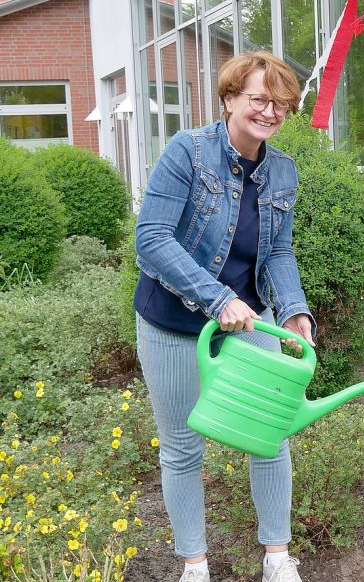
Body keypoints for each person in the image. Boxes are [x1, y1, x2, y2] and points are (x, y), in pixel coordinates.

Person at [134, 51, 315, 582]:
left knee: (271, 434)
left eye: (281, 104)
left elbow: (278, 252)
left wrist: (295, 311)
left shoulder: (282, 169)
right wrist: (216, 298)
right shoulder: (187, 152)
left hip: (247, 323)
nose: (270, 111)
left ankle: (277, 559)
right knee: (183, 447)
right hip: (173, 321)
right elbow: (151, 240)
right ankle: (195, 565)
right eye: (259, 99)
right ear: (231, 98)